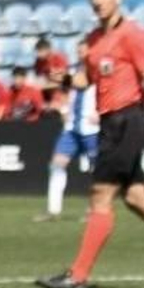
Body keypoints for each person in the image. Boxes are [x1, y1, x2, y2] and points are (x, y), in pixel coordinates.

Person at [37, 0, 144, 288]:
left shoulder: (132, 34)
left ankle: (78, 275)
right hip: (109, 124)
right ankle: (78, 274)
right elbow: (88, 79)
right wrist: (65, 79)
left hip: (127, 121)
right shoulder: (95, 40)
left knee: (100, 195)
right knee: (135, 197)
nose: (99, 1)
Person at [37, 60, 98, 222]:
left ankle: (94, 210)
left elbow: (103, 92)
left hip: (91, 130)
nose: (80, 53)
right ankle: (53, 210)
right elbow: (66, 93)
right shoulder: (74, 73)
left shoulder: (96, 74)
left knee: (96, 171)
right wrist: (64, 110)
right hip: (71, 129)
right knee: (57, 164)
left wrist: (101, 113)